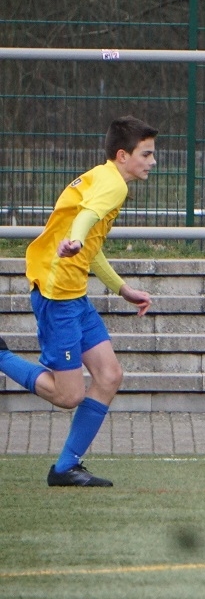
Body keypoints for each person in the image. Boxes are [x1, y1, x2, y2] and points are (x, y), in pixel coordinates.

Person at [0, 115, 156, 487]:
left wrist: (121, 288)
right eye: (146, 154)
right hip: (58, 294)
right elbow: (85, 220)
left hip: (73, 293)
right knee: (68, 395)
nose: (153, 161)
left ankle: (65, 468)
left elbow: (91, 244)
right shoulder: (112, 185)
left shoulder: (103, 177)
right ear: (123, 155)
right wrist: (75, 240)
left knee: (109, 375)